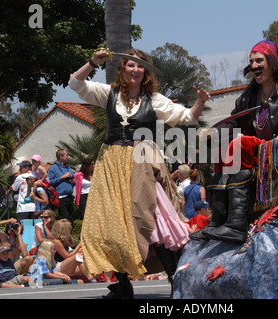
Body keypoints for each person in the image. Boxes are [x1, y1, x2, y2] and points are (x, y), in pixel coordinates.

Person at [69, 48, 210, 298]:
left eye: (140, 66)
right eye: (130, 65)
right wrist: (93, 62)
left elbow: (187, 117)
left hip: (141, 161)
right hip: (111, 164)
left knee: (153, 219)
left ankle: (176, 281)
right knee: (113, 223)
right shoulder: (109, 93)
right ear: (123, 69)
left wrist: (200, 101)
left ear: (145, 72)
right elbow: (76, 83)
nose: (135, 70)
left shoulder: (154, 99)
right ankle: (123, 286)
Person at [191, 40, 278, 244]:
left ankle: (236, 225)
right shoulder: (249, 95)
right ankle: (218, 221)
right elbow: (234, 121)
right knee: (222, 148)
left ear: (272, 62)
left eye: (259, 60)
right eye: (251, 61)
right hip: (257, 157)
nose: (253, 66)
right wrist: (213, 133)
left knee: (239, 145)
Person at [48, 149, 75, 222]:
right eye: (67, 155)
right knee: (64, 218)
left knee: (70, 219)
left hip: (69, 197)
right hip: (60, 198)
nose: (68, 157)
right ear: (61, 156)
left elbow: (73, 181)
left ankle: (69, 233)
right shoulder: (53, 168)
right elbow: (49, 182)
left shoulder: (68, 168)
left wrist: (73, 181)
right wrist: (62, 177)